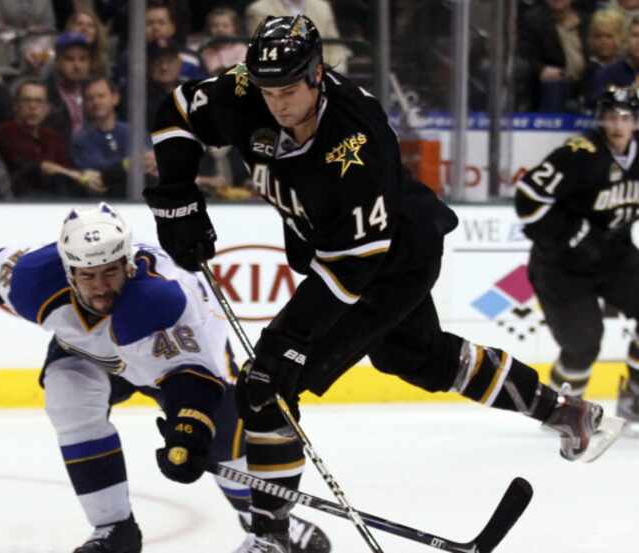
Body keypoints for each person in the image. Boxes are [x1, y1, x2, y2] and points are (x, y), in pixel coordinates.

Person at [144, 16, 622, 552]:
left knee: (268, 386)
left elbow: (350, 269)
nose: (276, 103)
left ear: (318, 74)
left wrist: (289, 347)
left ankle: (271, 540)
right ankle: (566, 412)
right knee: (418, 358)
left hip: (392, 260)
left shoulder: (356, 140)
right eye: (267, 90)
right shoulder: (244, 90)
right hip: (340, 250)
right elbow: (179, 111)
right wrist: (179, 198)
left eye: (288, 90)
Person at [0, 202, 330, 553]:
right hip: (93, 357)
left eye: (110, 272)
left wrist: (188, 427)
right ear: (68, 269)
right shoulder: (37, 277)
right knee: (67, 393)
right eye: (86, 276)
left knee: (220, 444)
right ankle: (114, 529)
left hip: (175, 360)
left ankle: (270, 527)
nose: (98, 287)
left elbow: (194, 379)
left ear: (128, 265)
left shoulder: (164, 301)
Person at [515, 85, 639, 425]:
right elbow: (527, 200)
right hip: (561, 267)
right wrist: (572, 236)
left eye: (626, 118)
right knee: (583, 345)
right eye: (611, 117)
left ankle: (635, 397)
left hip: (614, 256)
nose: (617, 125)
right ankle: (561, 411)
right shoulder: (578, 154)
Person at [0, 79, 101, 197]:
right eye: (26, 100)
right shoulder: (5, 133)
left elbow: (68, 166)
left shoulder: (52, 136)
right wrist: (78, 176)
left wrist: (85, 175)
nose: (33, 106)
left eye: (39, 101)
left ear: (47, 109)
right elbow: (38, 167)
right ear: (16, 106)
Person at [71, 76, 157, 198]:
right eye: (90, 98)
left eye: (101, 96)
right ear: (84, 104)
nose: (96, 102)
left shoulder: (134, 132)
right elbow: (100, 172)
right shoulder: (81, 139)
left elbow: (150, 162)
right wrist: (129, 164)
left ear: (115, 98)